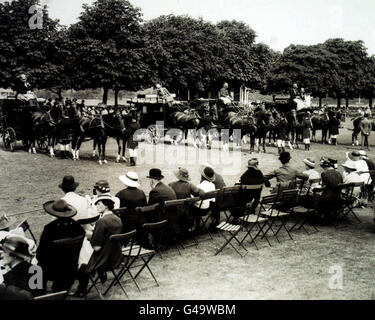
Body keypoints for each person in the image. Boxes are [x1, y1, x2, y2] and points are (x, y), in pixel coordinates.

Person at [75, 195, 123, 297]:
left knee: (82, 262)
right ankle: (100, 274)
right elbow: (109, 237)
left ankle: (81, 289)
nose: (96, 206)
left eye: (99, 204)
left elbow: (96, 247)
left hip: (104, 259)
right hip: (116, 255)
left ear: (106, 206)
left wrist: (90, 237)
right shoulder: (118, 219)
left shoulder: (102, 221)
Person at [36, 199, 85, 293]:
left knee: (35, 269)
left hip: (53, 269)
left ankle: (38, 293)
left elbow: (40, 254)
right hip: (70, 267)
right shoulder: (78, 228)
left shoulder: (49, 229)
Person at [169, 168, 202, 235]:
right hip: (186, 212)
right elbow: (200, 193)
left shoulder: (170, 185)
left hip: (174, 211)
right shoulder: (190, 185)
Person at [116, 172, 147, 241]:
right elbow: (144, 207)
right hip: (139, 222)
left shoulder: (121, 193)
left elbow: (117, 209)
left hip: (127, 223)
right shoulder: (141, 192)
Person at [313, 158, 343, 223]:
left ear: (326, 167)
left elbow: (324, 187)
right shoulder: (339, 173)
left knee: (315, 198)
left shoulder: (324, 174)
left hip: (327, 198)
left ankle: (320, 216)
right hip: (338, 197)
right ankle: (329, 215)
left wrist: (315, 189)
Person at [190, 166, 217, 231]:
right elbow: (213, 200)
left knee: (191, 205)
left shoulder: (199, 186)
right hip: (208, 209)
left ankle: (195, 226)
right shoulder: (212, 185)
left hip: (199, 211)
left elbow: (193, 199)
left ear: (202, 176)